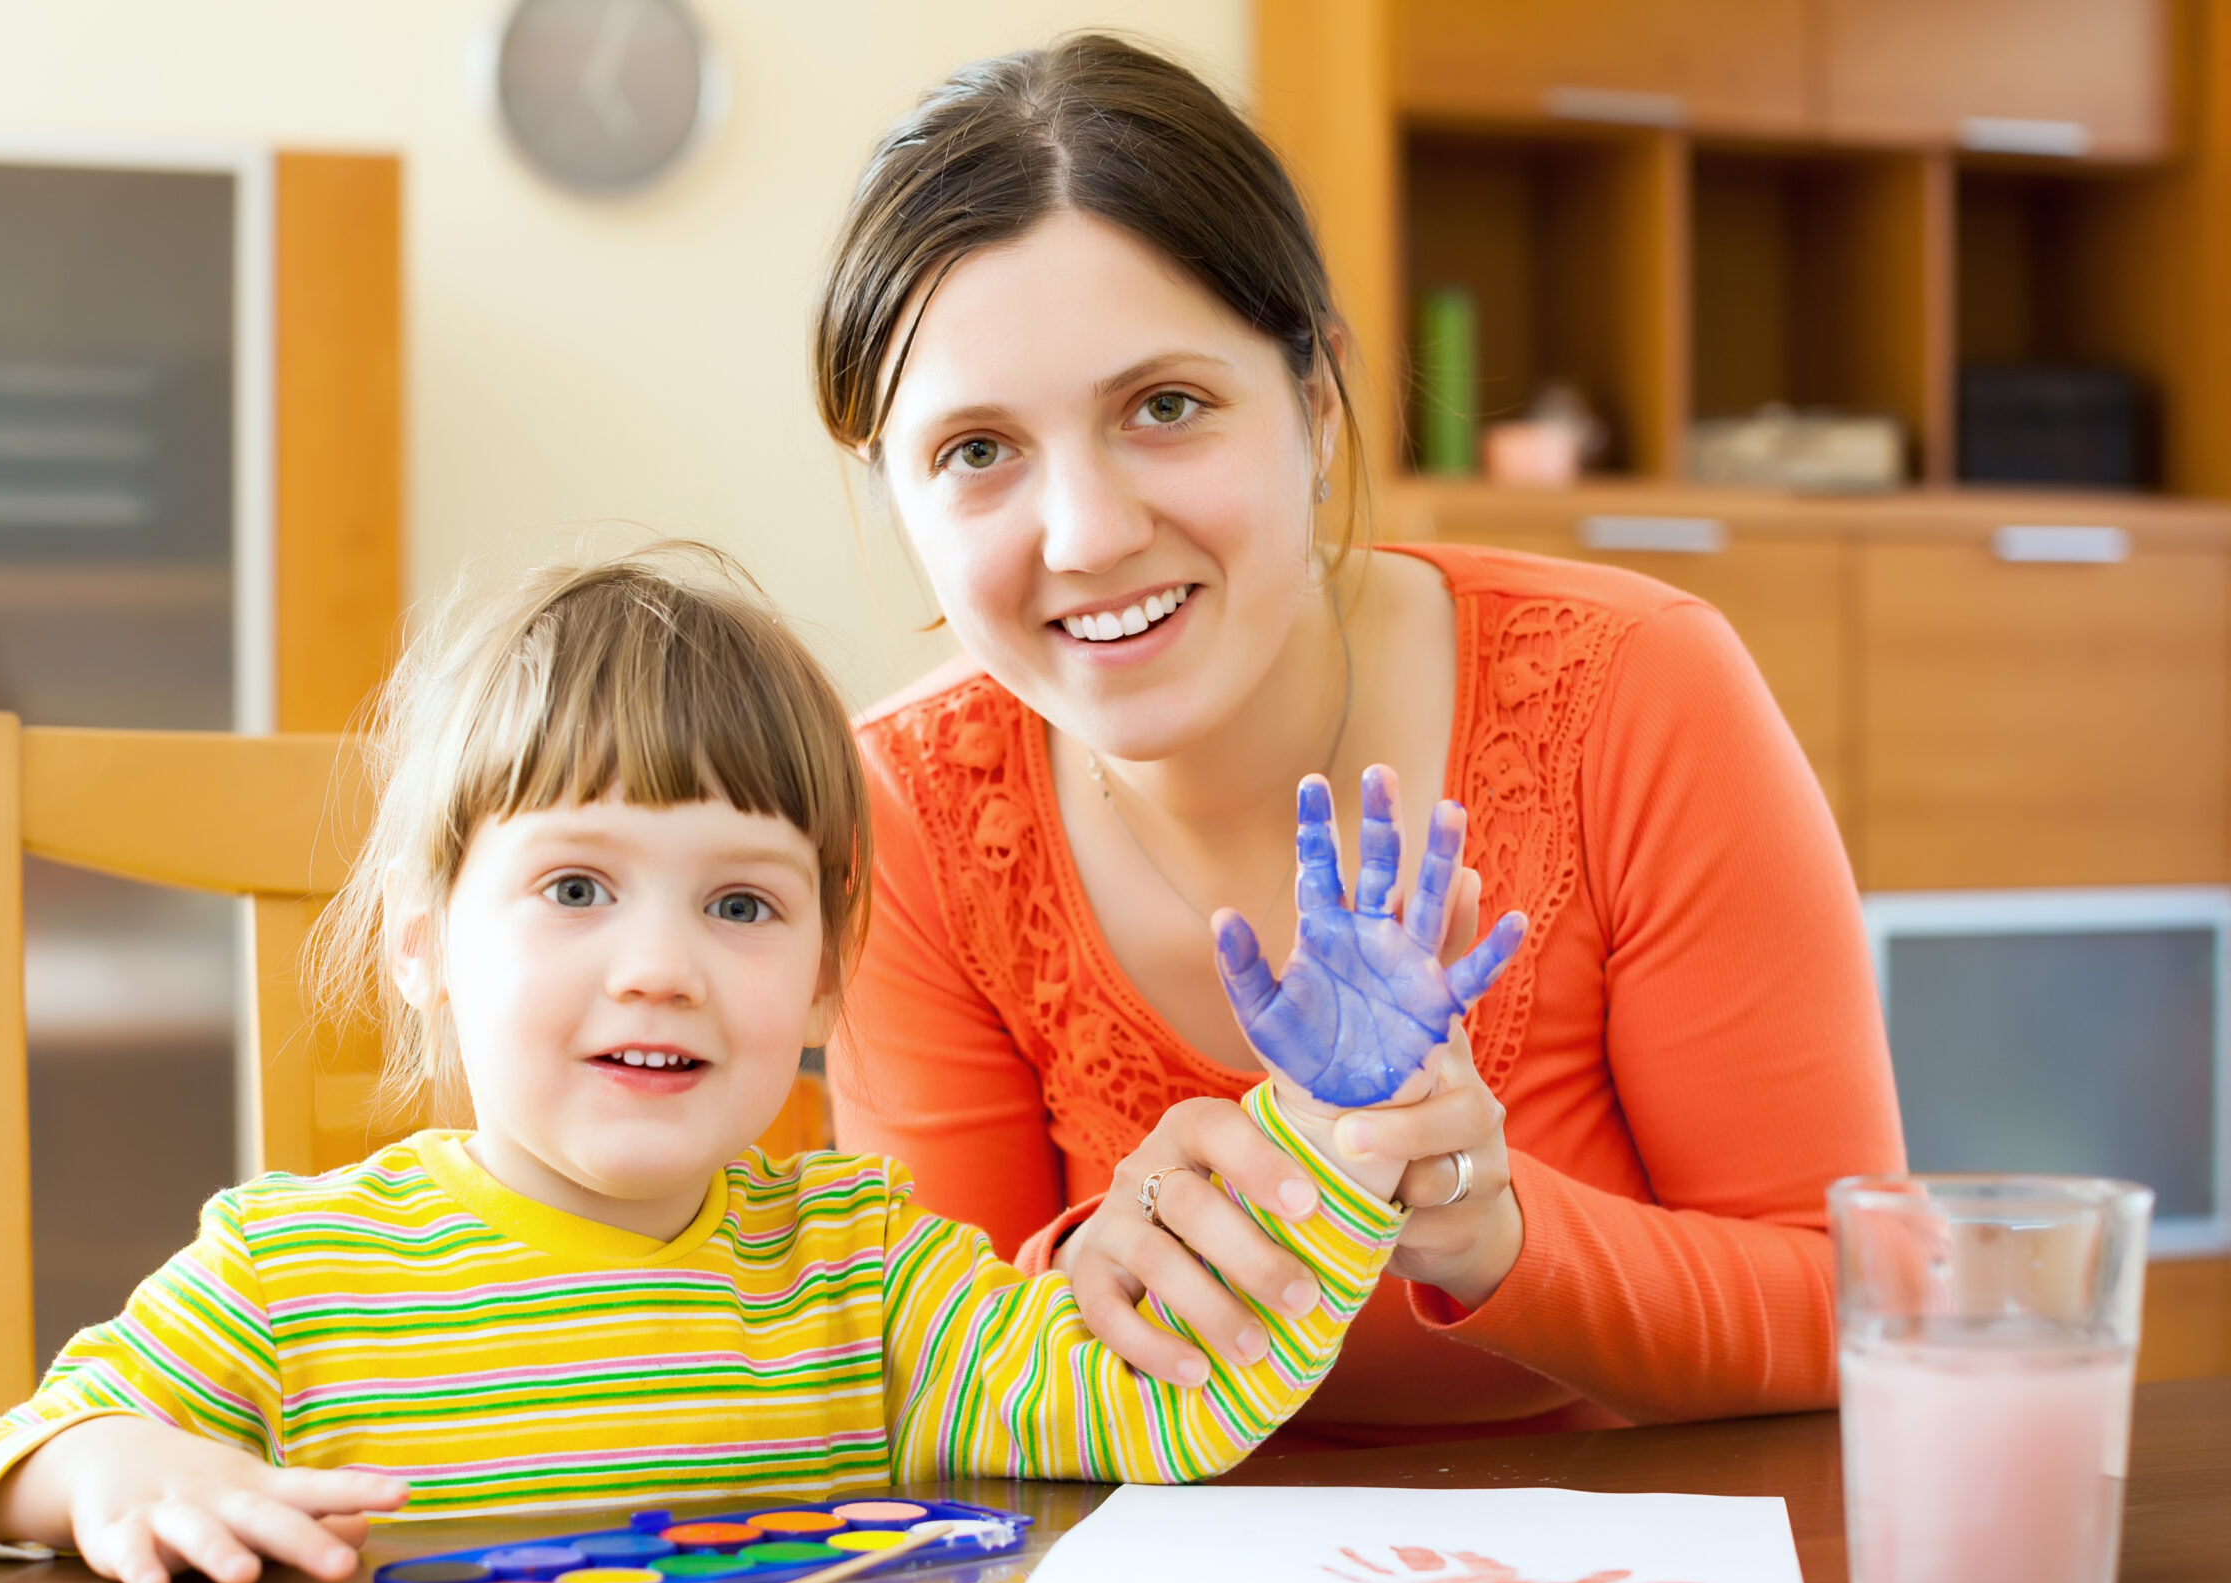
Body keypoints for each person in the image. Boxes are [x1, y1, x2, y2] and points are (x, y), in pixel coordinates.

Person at [0, 545, 1510, 1583]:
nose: (658, 962)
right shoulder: (289, 1275)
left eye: (740, 902)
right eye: (577, 888)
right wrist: (101, 1468)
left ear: (817, 978)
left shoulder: (863, 1275)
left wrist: (1336, 1141)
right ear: (423, 943)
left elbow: (1153, 1404)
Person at [815, 36, 1904, 1443]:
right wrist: (1070, 1285)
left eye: (1166, 407)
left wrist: (1493, 1229)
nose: (1084, 533)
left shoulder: (1637, 691)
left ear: (1316, 405)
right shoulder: (897, 810)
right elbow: (928, 1381)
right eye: (977, 451)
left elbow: (1852, 1297)